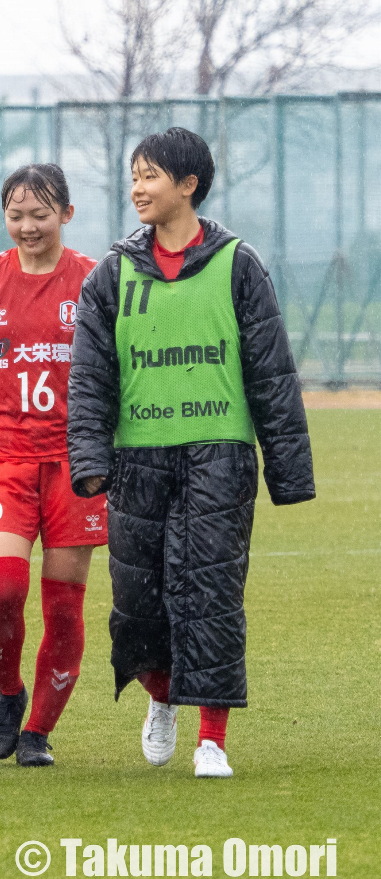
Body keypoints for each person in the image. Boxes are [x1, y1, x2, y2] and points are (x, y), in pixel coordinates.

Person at [67, 127, 314, 779]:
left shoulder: (238, 264)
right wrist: (90, 458)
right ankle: (161, 698)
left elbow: (271, 372)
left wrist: (288, 471)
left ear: (188, 186)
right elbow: (90, 377)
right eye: (134, 175)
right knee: (138, 603)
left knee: (210, 596)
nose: (138, 188)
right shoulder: (111, 275)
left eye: (150, 176)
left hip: (219, 454)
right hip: (138, 460)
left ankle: (212, 739)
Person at [0, 163, 103, 768]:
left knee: (64, 606)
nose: (28, 226)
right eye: (16, 215)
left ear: (65, 213)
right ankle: (9, 692)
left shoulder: (94, 280)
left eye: (40, 214)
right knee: (3, 593)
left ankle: (38, 730)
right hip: (3, 461)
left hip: (75, 464)